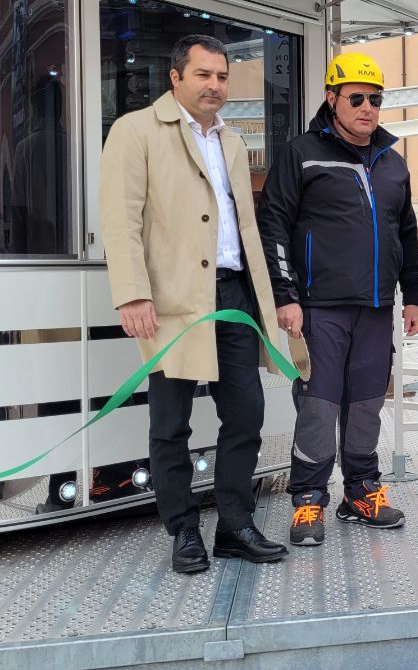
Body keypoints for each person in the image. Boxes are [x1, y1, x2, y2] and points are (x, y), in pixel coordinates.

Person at [101, 35, 288, 573]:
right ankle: (183, 530)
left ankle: (234, 525)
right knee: (171, 423)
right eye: (203, 74)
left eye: (222, 76)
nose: (215, 85)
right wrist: (133, 293)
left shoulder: (232, 141)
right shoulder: (135, 130)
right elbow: (120, 219)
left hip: (233, 294)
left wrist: (268, 296)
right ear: (175, 78)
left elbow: (243, 225)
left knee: (246, 413)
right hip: (171, 300)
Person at [257, 53, 418, 546]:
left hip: (375, 308)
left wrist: (413, 296)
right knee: (319, 405)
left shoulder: (392, 163)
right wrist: (286, 295)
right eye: (356, 98)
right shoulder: (303, 153)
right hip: (319, 307)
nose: (367, 107)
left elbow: (406, 233)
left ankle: (361, 491)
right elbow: (274, 225)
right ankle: (309, 498)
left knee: (368, 403)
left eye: (375, 99)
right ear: (331, 99)